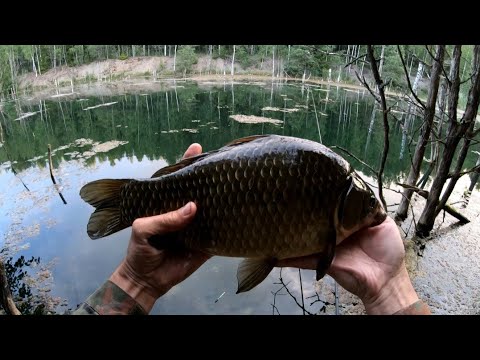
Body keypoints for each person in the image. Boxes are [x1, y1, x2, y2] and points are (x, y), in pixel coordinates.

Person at [72, 143, 431, 315]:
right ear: (346, 203)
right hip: (202, 214)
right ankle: (128, 200)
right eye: (368, 207)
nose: (376, 214)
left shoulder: (332, 182)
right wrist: (392, 293)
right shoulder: (331, 189)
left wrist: (387, 286)